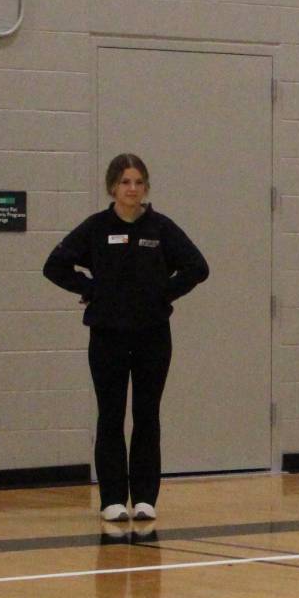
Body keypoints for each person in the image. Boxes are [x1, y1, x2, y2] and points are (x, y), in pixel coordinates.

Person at [44, 154, 209, 523]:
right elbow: (54, 265)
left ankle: (146, 497)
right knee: (111, 415)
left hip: (153, 335)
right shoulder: (96, 228)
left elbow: (198, 267)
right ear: (112, 188)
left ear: (145, 188)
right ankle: (113, 498)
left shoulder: (160, 229)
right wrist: (90, 288)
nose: (131, 189)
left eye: (138, 182)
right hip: (107, 335)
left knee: (147, 415)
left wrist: (164, 293)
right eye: (124, 182)